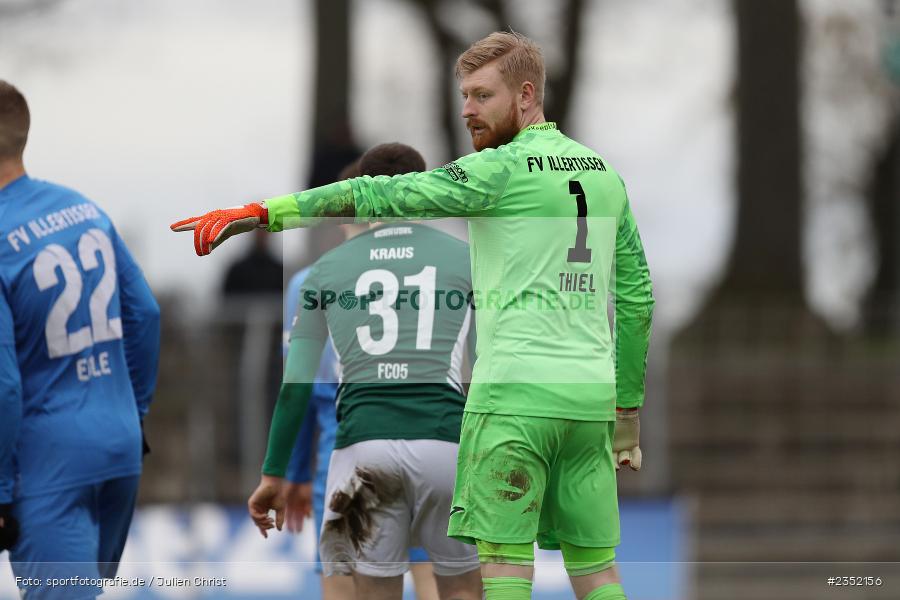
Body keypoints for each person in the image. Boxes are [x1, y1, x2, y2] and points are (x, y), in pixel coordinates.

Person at [172, 31, 654, 600]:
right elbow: (638, 299)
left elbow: (378, 196)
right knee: (597, 572)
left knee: (503, 568)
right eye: (465, 96)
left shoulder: (497, 171)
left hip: (514, 401)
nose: (467, 111)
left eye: (482, 96)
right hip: (588, 403)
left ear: (527, 96)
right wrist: (625, 413)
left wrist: (263, 213)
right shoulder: (604, 176)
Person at [0, 80, 161, 599]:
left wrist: (1, 491)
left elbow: (3, 384)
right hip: (118, 447)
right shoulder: (82, 208)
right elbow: (147, 315)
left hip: (48, 461)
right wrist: (132, 414)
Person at [280, 159, 440, 600]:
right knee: (436, 581)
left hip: (345, 460)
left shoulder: (307, 284)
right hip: (431, 446)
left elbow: (297, 392)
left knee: (347, 587)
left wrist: (288, 474)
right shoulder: (431, 274)